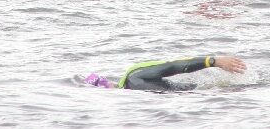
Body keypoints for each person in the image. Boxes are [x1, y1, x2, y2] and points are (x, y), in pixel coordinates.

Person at [84, 55, 246, 91]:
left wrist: (213, 61)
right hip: (202, 94)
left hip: (202, 92)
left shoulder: (134, 75)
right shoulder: (131, 88)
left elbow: (173, 66)